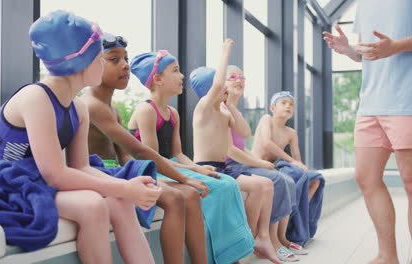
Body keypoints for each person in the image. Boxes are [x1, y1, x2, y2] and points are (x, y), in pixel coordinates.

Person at [0, 11, 161, 263]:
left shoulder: (78, 107)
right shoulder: (36, 98)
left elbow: (80, 166)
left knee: (121, 201)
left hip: (34, 179)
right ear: (79, 60)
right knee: (93, 205)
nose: (103, 64)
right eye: (98, 58)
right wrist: (125, 186)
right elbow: (55, 173)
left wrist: (125, 191)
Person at [323, 1, 412, 263]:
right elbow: (369, 51)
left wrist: (397, 46)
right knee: (365, 178)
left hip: (411, 97)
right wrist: (349, 50)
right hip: (370, 102)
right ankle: (388, 257)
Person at [80, 33, 210, 264]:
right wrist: (183, 177)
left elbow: (127, 157)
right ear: (92, 65)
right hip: (96, 174)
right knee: (174, 197)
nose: (125, 66)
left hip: (116, 172)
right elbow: (140, 150)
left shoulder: (114, 110)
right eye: (114, 59)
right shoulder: (92, 105)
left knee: (187, 193)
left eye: (126, 59)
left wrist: (158, 178)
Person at [128, 48, 256, 264]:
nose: (182, 76)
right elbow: (153, 160)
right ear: (157, 79)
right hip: (154, 169)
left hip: (175, 165)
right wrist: (195, 170)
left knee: (228, 184)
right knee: (219, 187)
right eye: (176, 71)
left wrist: (197, 168)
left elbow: (178, 154)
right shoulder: (146, 110)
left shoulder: (173, 113)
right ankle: (218, 256)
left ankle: (231, 253)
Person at [190, 39, 282, 264]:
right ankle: (243, 242)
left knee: (263, 185)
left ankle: (248, 239)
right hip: (205, 168)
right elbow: (217, 83)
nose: (224, 90)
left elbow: (245, 131)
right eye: (220, 88)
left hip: (223, 168)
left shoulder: (223, 112)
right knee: (257, 185)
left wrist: (230, 105)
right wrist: (225, 52)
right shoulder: (203, 109)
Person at [222, 65, 303, 260]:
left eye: (242, 77)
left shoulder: (235, 110)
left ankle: (280, 237)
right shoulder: (221, 109)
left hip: (241, 163)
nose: (238, 80)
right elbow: (229, 150)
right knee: (277, 179)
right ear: (220, 82)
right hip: (230, 166)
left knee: (288, 180)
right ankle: (268, 238)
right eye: (232, 77)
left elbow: (241, 146)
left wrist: (258, 161)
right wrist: (259, 163)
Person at [252, 91, 325, 248]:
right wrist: (292, 161)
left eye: (291, 104)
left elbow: (297, 160)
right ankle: (280, 235)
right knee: (285, 182)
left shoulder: (291, 133)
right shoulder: (266, 120)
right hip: (256, 166)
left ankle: (295, 212)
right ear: (272, 107)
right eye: (283, 102)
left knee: (316, 179)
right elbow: (267, 143)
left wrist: (302, 168)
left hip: (274, 168)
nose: (288, 106)